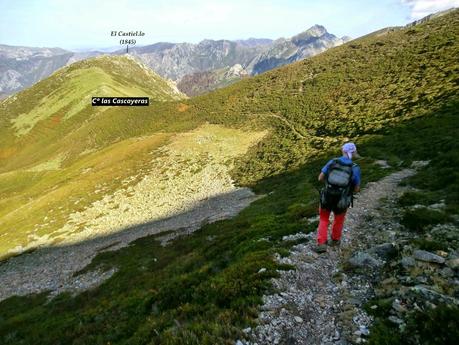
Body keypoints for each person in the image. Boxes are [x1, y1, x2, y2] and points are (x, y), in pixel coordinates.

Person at [315, 142, 361, 253]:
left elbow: (320, 178)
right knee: (339, 219)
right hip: (342, 198)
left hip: (327, 195)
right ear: (353, 152)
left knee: (324, 219)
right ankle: (335, 240)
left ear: (343, 150)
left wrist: (330, 185)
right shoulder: (355, 168)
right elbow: (356, 189)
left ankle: (321, 243)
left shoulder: (333, 162)